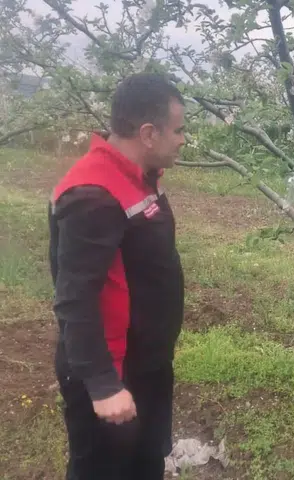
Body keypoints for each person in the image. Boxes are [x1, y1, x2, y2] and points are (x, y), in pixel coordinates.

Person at [48, 72, 186, 480]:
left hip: (147, 362)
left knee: (145, 464)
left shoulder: (141, 177)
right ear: (148, 133)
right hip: (113, 369)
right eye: (178, 130)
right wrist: (103, 384)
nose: (183, 140)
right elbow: (74, 296)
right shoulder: (92, 194)